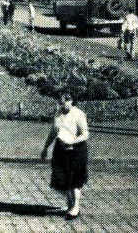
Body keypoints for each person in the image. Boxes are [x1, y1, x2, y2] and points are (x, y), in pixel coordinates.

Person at [41, 93, 89, 221]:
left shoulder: (78, 114)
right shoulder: (58, 114)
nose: (61, 105)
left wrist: (72, 141)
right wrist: (45, 147)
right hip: (60, 150)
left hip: (76, 151)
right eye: (59, 103)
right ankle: (70, 205)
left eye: (63, 103)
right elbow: (53, 132)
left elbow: (85, 134)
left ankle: (75, 207)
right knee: (60, 178)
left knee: (74, 181)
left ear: (70, 101)